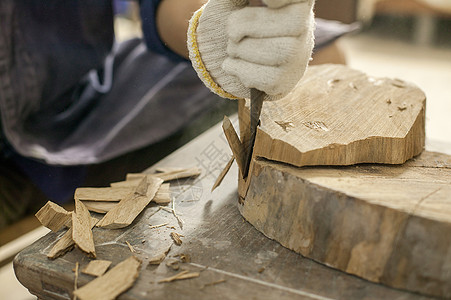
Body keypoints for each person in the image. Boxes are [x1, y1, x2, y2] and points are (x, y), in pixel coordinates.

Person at [0, 0, 356, 229]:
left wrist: (210, 30)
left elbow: (159, 7)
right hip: (8, 165)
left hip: (78, 103)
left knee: (326, 55)